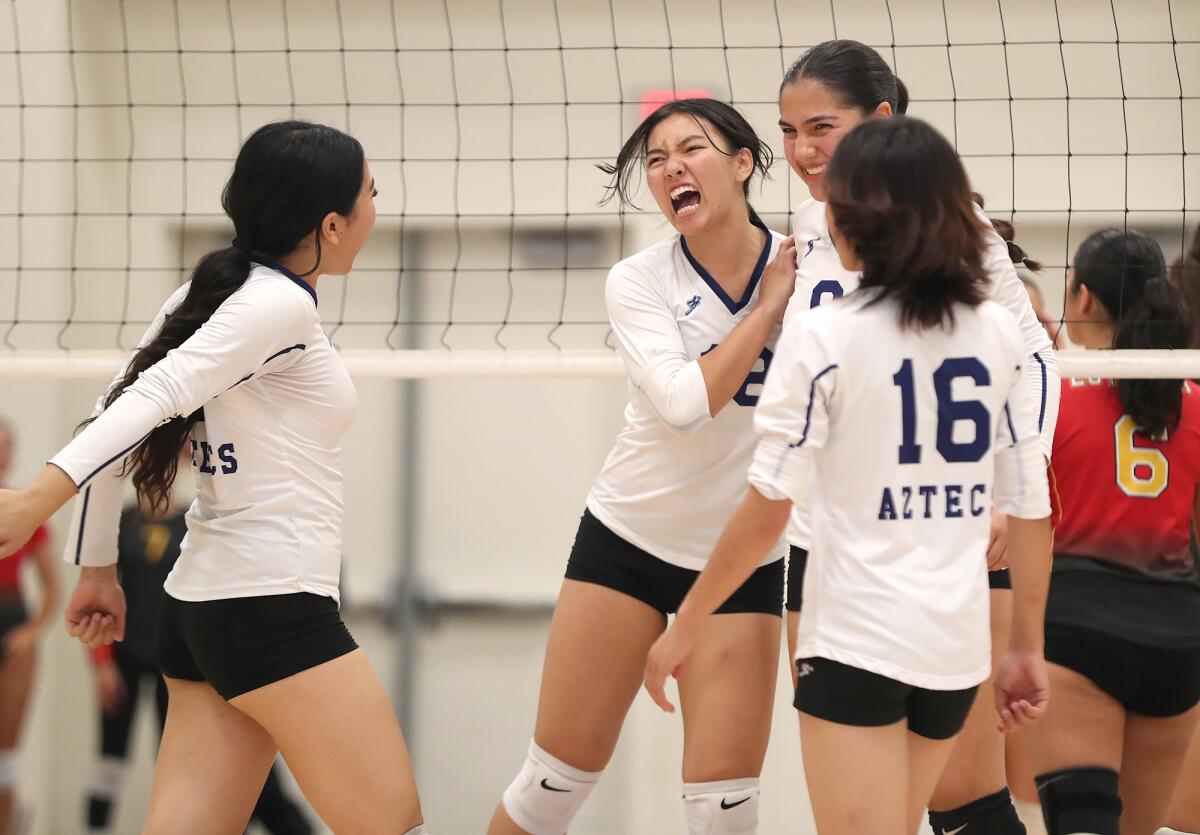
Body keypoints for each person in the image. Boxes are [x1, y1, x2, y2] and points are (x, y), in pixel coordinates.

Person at [0, 121, 428, 835]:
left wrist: (100, 565)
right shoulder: (279, 305)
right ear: (330, 224)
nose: (375, 210)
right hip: (275, 604)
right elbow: (149, 399)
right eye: (370, 195)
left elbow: (114, 410)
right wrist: (38, 500)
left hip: (201, 610)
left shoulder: (208, 291)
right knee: (394, 824)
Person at [644, 115, 1053, 835]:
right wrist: (1025, 644)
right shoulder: (993, 332)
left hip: (855, 642)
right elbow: (1030, 505)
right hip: (952, 652)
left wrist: (689, 621)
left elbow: (770, 505)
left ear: (846, 220)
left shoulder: (825, 334)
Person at [487, 98, 797, 835]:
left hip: (741, 560)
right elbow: (687, 402)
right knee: (548, 790)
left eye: (691, 149)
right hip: (627, 539)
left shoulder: (808, 265)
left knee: (725, 816)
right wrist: (766, 308)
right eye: (656, 160)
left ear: (744, 162)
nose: (670, 169)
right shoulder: (638, 280)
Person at [774, 39, 1060, 834]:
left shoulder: (952, 226)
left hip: (941, 539)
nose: (803, 151)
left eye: (821, 127)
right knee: (864, 815)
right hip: (824, 551)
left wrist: (1012, 486)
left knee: (965, 795)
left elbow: (1035, 354)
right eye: (790, 132)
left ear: (882, 119)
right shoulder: (807, 227)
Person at [1023, 229, 1200, 835]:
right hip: (1177, 644)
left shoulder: (1052, 395)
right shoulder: (1193, 400)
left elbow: (1025, 521)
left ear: (1085, 300)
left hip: (1078, 635)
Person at [87, 490, 312, 835]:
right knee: (111, 757)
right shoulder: (124, 522)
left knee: (196, 767)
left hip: (179, 664)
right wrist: (101, 663)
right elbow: (98, 594)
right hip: (127, 657)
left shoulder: (195, 524)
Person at [0, 420, 58, 834]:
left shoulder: (26, 511)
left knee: (5, 752)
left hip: (11, 630)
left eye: (5, 446)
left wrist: (31, 633)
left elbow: (54, 590)